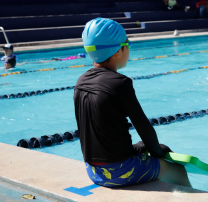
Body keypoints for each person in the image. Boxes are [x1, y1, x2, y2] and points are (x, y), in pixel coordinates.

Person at [74, 18, 192, 188]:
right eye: (127, 43)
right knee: (178, 171)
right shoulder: (121, 83)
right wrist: (158, 152)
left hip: (93, 171)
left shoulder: (81, 82)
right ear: (117, 51)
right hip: (119, 171)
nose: (129, 48)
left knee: (148, 148)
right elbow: (144, 128)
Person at [17, 53, 86, 66]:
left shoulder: (73, 56)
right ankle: (25, 63)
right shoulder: (76, 58)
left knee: (45, 62)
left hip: (59, 59)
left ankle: (25, 63)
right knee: (44, 62)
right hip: (59, 60)